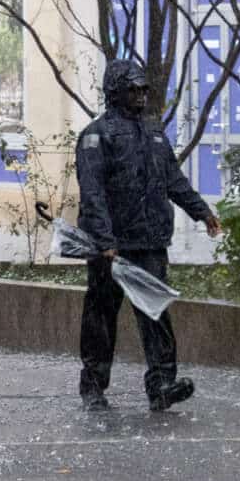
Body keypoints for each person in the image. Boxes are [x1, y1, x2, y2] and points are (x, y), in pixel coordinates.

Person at [74, 60, 221, 412]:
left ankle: (162, 385)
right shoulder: (97, 136)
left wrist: (201, 211)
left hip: (149, 242)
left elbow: (173, 180)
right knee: (101, 318)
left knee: (156, 315)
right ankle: (93, 386)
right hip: (111, 248)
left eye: (143, 89)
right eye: (133, 89)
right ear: (115, 92)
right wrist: (105, 241)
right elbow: (92, 193)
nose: (140, 96)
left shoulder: (153, 134)